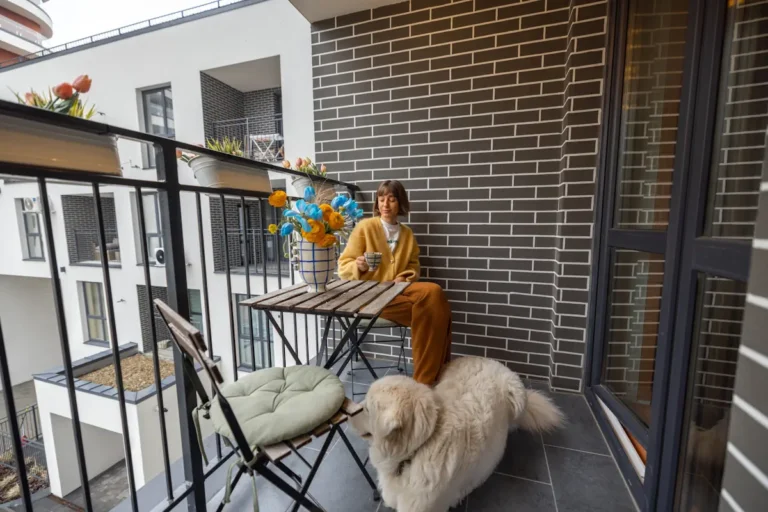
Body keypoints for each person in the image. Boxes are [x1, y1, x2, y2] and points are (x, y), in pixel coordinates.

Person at [338, 180, 452, 385]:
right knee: (435, 308)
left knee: (433, 300)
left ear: (400, 203)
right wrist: (359, 266)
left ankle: (423, 382)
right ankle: (430, 380)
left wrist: (404, 277)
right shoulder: (365, 227)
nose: (385, 205)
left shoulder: (407, 234)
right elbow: (343, 267)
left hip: (399, 293)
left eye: (391, 199)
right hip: (370, 298)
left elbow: (414, 266)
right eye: (381, 199)